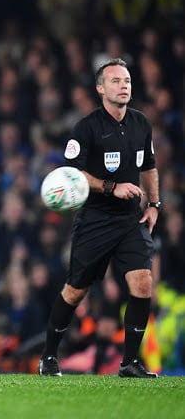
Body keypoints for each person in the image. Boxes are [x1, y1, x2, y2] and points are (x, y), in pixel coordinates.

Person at [38, 59, 160, 378]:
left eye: (128, 80)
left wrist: (155, 204)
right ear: (101, 88)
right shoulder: (87, 127)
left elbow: (148, 166)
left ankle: (129, 363)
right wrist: (110, 186)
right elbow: (72, 172)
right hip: (96, 219)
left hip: (130, 220)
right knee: (75, 290)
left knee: (143, 282)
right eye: (116, 80)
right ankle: (49, 356)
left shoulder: (141, 123)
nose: (124, 85)